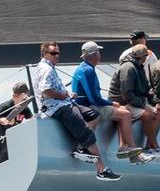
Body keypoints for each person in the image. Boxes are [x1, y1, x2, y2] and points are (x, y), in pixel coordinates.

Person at [33, 41, 121, 181]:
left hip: (64, 102)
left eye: (58, 53)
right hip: (57, 107)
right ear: (45, 54)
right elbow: (46, 90)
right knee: (86, 132)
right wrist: (65, 95)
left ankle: (82, 148)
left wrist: (67, 95)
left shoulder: (49, 67)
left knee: (93, 115)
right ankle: (102, 170)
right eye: (53, 53)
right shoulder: (46, 69)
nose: (57, 56)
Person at [71, 41, 143, 161]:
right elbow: (94, 99)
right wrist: (111, 103)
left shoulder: (84, 67)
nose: (100, 54)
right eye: (98, 52)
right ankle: (132, 150)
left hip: (86, 104)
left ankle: (122, 147)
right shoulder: (88, 70)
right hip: (89, 106)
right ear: (94, 54)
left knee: (124, 110)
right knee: (125, 114)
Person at [109, 44, 160, 161]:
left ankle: (149, 147)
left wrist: (156, 102)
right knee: (147, 114)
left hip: (132, 100)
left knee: (158, 112)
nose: (147, 58)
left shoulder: (139, 66)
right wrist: (144, 106)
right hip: (121, 102)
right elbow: (127, 95)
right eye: (146, 56)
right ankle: (154, 146)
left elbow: (147, 88)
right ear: (142, 57)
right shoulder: (128, 68)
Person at [0, 82, 34, 169]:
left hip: (9, 145)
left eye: (17, 94)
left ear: (24, 95)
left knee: (5, 170)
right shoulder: (6, 106)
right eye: (14, 94)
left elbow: (32, 120)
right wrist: (1, 119)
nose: (14, 96)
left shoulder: (24, 108)